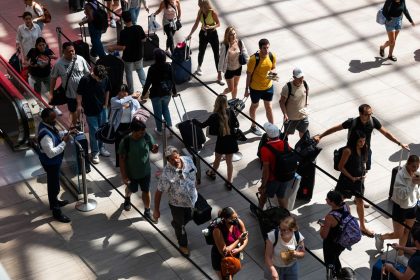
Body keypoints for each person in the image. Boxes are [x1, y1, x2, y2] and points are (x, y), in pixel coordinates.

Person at [314, 104, 409, 171]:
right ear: (360, 114)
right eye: (367, 114)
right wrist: (321, 136)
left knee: (363, 173)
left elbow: (386, 133)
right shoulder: (352, 122)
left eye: (371, 113)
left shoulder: (373, 121)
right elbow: (335, 129)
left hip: (365, 153)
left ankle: (358, 196)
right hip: (351, 153)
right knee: (349, 172)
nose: (369, 116)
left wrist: (400, 143)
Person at [375, 155, 420, 265]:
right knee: (398, 234)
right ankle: (381, 237)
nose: (415, 169)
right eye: (414, 166)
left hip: (412, 206)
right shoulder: (400, 175)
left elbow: (416, 190)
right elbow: (402, 195)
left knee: (407, 231)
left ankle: (400, 255)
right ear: (408, 164)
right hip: (400, 208)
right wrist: (413, 183)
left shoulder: (416, 173)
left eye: (417, 166)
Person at [153, 146, 198, 256]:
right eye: (172, 159)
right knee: (180, 225)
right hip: (177, 205)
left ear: (178, 154)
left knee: (190, 217)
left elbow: (195, 172)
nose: (175, 161)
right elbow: (158, 192)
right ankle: (183, 245)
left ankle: (176, 223)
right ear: (168, 160)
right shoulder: (166, 174)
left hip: (192, 199)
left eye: (176, 157)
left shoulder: (188, 159)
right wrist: (156, 210)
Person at [193, 95, 239, 189]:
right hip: (231, 140)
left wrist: (194, 121)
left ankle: (212, 173)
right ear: (226, 103)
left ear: (216, 103)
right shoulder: (230, 111)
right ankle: (229, 182)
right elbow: (236, 124)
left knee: (217, 159)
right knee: (229, 162)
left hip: (221, 141)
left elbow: (202, 125)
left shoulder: (214, 116)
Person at [37, 108, 74, 223]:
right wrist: (64, 142)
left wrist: (67, 133)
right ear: (46, 118)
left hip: (54, 163)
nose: (55, 120)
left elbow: (56, 135)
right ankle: (56, 211)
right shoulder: (45, 135)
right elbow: (51, 153)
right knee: (53, 186)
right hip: (51, 163)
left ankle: (55, 202)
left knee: (55, 183)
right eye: (53, 118)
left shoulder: (48, 125)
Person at [119, 118, 158, 222]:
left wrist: (155, 149)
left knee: (146, 191)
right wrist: (124, 176)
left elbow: (153, 150)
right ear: (134, 131)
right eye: (140, 133)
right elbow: (121, 160)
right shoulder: (126, 142)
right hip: (131, 173)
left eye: (144, 132)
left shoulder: (146, 136)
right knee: (131, 189)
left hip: (145, 171)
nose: (143, 134)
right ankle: (127, 198)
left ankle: (147, 211)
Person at [335, 130, 374, 237]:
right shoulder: (348, 150)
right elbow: (340, 167)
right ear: (354, 140)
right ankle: (335, 222)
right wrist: (351, 177)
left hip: (358, 180)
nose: (362, 143)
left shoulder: (364, 148)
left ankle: (362, 226)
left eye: (363, 141)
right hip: (347, 180)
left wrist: (364, 171)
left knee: (360, 201)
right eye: (360, 141)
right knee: (338, 201)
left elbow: (363, 161)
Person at [76, 65, 111, 164]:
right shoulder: (85, 80)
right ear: (93, 74)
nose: (100, 80)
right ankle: (95, 152)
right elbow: (79, 93)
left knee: (103, 129)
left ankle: (102, 148)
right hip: (90, 110)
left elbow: (108, 90)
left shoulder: (105, 77)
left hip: (103, 109)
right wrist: (79, 105)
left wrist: (106, 103)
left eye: (102, 78)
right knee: (94, 131)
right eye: (98, 78)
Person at [50, 42, 90, 125]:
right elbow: (53, 78)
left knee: (83, 109)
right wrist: (51, 92)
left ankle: (79, 121)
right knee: (73, 111)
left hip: (83, 92)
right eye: (69, 51)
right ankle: (75, 125)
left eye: (73, 51)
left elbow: (88, 73)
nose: (72, 53)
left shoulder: (80, 59)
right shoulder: (58, 64)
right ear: (63, 51)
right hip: (70, 94)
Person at [255, 122, 293, 210]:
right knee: (281, 197)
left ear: (267, 136)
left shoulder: (265, 149)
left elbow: (266, 170)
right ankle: (286, 216)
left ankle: (260, 210)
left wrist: (263, 185)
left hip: (273, 179)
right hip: (285, 176)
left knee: (264, 195)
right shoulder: (285, 144)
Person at [107, 11, 147, 94]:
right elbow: (144, 39)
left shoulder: (123, 32)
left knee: (128, 73)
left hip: (128, 57)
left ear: (123, 20)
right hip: (138, 55)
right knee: (140, 70)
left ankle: (131, 90)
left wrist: (112, 47)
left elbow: (122, 47)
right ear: (131, 18)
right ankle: (145, 88)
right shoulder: (138, 28)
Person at [244, 38, 277, 136]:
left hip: (268, 87)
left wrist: (273, 74)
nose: (266, 50)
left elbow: (273, 67)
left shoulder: (272, 56)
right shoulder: (253, 59)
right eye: (264, 48)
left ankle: (273, 129)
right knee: (254, 106)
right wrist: (246, 89)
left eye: (267, 48)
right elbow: (248, 75)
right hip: (255, 88)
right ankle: (253, 126)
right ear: (260, 48)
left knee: (269, 107)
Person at [186, 0, 222, 84]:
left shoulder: (212, 12)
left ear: (206, 5)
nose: (200, 7)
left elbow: (218, 24)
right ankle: (199, 67)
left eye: (201, 6)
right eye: (199, 6)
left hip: (213, 34)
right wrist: (190, 34)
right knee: (201, 51)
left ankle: (219, 75)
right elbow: (196, 24)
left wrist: (211, 26)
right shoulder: (200, 12)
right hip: (203, 34)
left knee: (216, 54)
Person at [141, 49, 176, 135]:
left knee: (158, 113)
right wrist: (174, 91)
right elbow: (172, 80)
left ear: (155, 58)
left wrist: (143, 94)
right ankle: (170, 128)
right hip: (167, 92)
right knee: (165, 109)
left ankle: (159, 130)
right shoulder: (168, 66)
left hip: (156, 94)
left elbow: (148, 83)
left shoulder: (152, 68)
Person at [212, 207, 248, 280]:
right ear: (225, 219)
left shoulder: (239, 222)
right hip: (221, 259)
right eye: (233, 218)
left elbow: (246, 237)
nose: (236, 219)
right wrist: (238, 240)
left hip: (234, 256)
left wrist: (240, 248)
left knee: (232, 275)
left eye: (237, 217)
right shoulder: (217, 230)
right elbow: (224, 252)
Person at [264, 215, 305, 280]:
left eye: (284, 230)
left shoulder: (298, 236)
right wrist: (273, 270)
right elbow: (267, 256)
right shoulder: (273, 235)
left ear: (292, 229)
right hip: (275, 267)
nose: (281, 231)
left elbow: (302, 254)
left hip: (292, 267)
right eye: (280, 228)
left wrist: (295, 253)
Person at [110, 84, 141, 167]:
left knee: (130, 148)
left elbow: (138, 110)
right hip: (119, 128)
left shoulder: (133, 101)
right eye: (121, 92)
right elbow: (120, 103)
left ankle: (130, 165)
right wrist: (131, 96)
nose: (123, 94)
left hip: (130, 127)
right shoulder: (114, 100)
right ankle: (121, 166)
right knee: (120, 149)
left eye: (125, 92)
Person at [319, 190, 347, 278]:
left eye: (327, 199)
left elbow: (323, 235)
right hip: (342, 240)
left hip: (331, 243)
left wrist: (322, 226)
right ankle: (339, 273)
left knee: (329, 263)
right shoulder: (346, 206)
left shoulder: (330, 217)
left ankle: (331, 276)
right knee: (335, 256)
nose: (326, 199)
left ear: (332, 202)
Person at [218, 26, 249, 99]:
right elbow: (221, 59)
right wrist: (219, 73)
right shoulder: (225, 45)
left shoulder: (240, 43)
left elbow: (246, 55)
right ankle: (221, 95)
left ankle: (233, 101)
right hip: (229, 70)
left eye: (234, 34)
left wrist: (250, 65)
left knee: (235, 86)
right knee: (231, 88)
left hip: (238, 68)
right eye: (231, 34)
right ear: (228, 35)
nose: (234, 36)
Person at [279, 68, 309, 138]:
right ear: (294, 77)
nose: (301, 79)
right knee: (286, 135)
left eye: (302, 77)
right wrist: (285, 114)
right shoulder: (287, 88)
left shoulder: (305, 84)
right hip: (291, 118)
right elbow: (281, 102)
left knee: (303, 134)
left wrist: (306, 105)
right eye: (299, 78)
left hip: (303, 116)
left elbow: (306, 95)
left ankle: (302, 148)